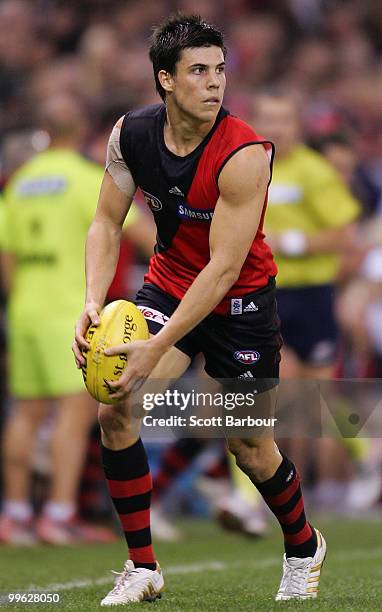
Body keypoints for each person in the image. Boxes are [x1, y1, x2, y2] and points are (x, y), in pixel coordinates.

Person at [73, 14, 326, 605]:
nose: (215, 83)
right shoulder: (130, 134)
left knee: (250, 449)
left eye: (219, 70)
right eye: (198, 71)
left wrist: (158, 347)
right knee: (116, 403)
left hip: (239, 303)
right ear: (165, 79)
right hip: (167, 287)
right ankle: (143, 567)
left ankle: (303, 544)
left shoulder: (244, 153)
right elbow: (106, 222)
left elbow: (222, 270)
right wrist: (92, 300)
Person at [0, 94, 116, 545]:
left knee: (25, 413)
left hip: (24, 306)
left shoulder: (19, 182)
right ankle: (59, 514)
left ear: (44, 132)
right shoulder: (89, 179)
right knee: (75, 410)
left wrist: (21, 298)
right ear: (83, 132)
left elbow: (5, 258)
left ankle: (13, 515)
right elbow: (143, 232)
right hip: (71, 309)